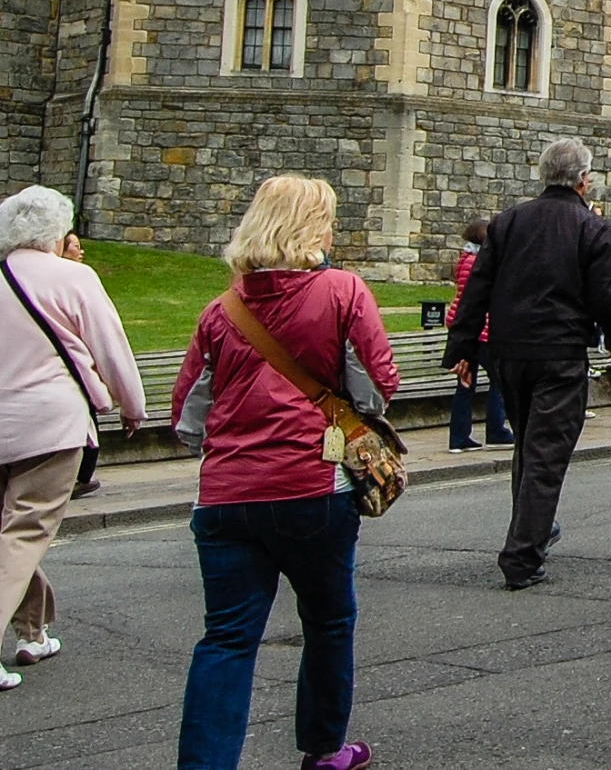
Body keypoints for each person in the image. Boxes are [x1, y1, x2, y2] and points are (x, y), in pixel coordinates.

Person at [171, 176, 398, 770]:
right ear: (310, 230)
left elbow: (187, 416)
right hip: (310, 484)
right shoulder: (343, 292)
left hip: (225, 495)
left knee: (225, 638)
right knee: (327, 621)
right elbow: (375, 389)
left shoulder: (220, 312)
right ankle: (323, 748)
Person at [442, 137, 611, 590]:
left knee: (529, 445)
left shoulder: (508, 222)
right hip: (560, 352)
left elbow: (478, 291)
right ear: (584, 180)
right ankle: (522, 555)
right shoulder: (592, 228)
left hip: (510, 352)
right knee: (546, 453)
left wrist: (464, 350)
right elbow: (605, 297)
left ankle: (531, 528)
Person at [0, 186, 144, 693]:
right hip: (50, 424)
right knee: (24, 531)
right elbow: (110, 346)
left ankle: (32, 632)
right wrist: (133, 407)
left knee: (12, 532)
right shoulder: (74, 277)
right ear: (56, 232)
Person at [446, 219, 514, 454]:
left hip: (462, 328)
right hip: (482, 329)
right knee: (499, 380)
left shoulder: (464, 259)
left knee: (465, 383)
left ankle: (458, 437)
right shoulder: (483, 262)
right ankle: (496, 430)